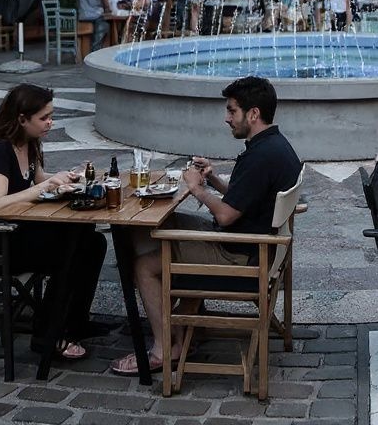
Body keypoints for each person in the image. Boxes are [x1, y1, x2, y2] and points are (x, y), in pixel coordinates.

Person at [110, 76, 302, 376]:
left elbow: (225, 216)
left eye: (232, 111)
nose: (227, 119)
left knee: (144, 266)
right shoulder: (274, 146)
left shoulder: (261, 156)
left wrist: (197, 189)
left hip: (240, 257)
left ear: (253, 114)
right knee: (157, 226)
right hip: (254, 245)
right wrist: (212, 179)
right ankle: (183, 321)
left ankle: (165, 349)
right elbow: (245, 200)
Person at [0, 84, 107, 360]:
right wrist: (45, 188)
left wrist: (65, 177)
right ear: (21, 118)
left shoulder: (27, 143)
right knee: (69, 248)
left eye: (51, 116)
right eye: (44, 118)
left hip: (15, 230)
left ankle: (76, 321)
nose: (50, 122)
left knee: (93, 240)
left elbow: (38, 179)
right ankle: (47, 335)